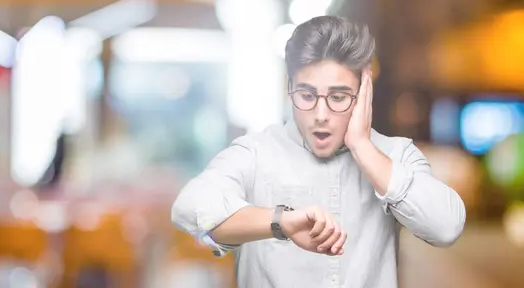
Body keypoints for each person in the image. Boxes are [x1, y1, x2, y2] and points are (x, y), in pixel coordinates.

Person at [171, 15, 466, 288]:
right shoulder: (256, 152)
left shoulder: (395, 155)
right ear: (289, 87)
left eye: (338, 97)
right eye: (307, 95)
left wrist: (362, 146)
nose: (321, 114)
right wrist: (279, 222)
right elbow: (189, 207)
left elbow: (446, 227)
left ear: (364, 91)